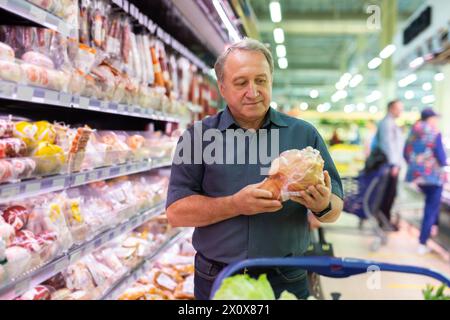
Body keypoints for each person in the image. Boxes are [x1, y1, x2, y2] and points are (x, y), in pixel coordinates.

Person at [165, 38, 344, 300]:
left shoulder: (304, 135)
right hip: (217, 277)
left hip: (286, 277)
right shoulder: (197, 137)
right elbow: (176, 213)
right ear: (222, 88)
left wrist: (322, 204)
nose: (253, 91)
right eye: (241, 83)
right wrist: (235, 204)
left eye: (261, 80)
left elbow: (335, 209)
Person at [404, 108, 447, 255]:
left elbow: (406, 152)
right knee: (431, 208)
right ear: (430, 118)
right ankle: (423, 242)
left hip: (417, 177)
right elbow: (441, 157)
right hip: (433, 177)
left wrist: (415, 166)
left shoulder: (413, 131)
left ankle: (430, 232)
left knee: (430, 207)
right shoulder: (434, 132)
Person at [369, 100, 405, 230]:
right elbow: (387, 144)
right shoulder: (387, 123)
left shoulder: (391, 123)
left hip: (390, 165)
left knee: (390, 193)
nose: (401, 111)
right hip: (389, 166)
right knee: (388, 194)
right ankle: (384, 220)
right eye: (399, 108)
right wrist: (394, 164)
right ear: (391, 108)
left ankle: (385, 220)